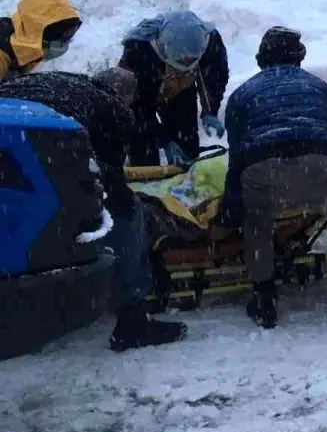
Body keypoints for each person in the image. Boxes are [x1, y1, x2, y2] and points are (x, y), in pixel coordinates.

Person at [0, 66, 188, 351]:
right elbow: (109, 176)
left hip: (8, 131)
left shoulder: (51, 80)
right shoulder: (115, 109)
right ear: (127, 95)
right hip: (43, 143)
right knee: (126, 215)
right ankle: (132, 322)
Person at [221, 27, 327, 329]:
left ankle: (265, 301)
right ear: (299, 59)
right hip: (321, 163)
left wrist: (232, 205)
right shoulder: (319, 87)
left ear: (261, 59)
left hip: (263, 167)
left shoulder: (242, 94)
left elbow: (237, 153)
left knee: (258, 227)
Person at [119, 10, 229, 167]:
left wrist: (210, 110)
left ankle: (186, 176)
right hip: (142, 95)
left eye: (192, 60)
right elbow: (136, 106)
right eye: (181, 60)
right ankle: (146, 181)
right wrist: (164, 140)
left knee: (186, 142)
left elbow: (215, 78)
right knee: (143, 143)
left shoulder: (209, 41)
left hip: (180, 91)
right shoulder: (138, 49)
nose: (186, 64)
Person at [0, 0, 82, 82]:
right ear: (36, 30)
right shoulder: (3, 54)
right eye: (59, 36)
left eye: (70, 33)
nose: (63, 43)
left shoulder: (27, 43)